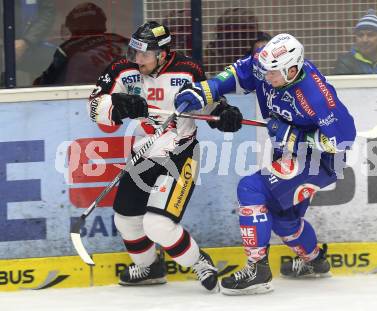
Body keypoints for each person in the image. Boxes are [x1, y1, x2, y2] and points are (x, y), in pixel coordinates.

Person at [175, 33, 356, 295]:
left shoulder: (316, 96)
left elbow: (342, 142)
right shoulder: (266, 66)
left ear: (292, 69)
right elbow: (239, 73)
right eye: (265, 71)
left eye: (273, 74)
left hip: (318, 161)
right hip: (288, 153)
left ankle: (257, 268)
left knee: (251, 188)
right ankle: (314, 260)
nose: (265, 78)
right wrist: (203, 91)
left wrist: (293, 136)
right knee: (284, 219)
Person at [86, 21, 242, 291]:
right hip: (143, 154)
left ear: (162, 53)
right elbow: (94, 105)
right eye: (135, 52)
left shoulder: (188, 70)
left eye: (144, 54)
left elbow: (210, 101)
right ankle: (150, 267)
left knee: (157, 223)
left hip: (181, 153)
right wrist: (118, 105)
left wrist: (224, 114)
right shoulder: (122, 70)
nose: (137, 59)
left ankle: (198, 261)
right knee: (125, 219)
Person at [34, 2, 129, 85]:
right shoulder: (121, 40)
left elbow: (44, 83)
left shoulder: (67, 49)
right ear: (103, 24)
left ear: (72, 27)